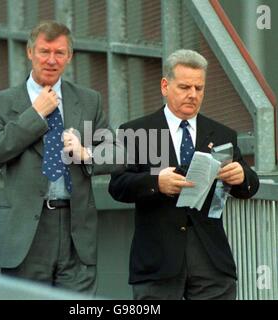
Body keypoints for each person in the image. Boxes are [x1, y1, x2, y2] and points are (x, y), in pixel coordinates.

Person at [108, 49, 259, 300]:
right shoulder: (136, 131)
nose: (193, 95)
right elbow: (118, 186)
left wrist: (242, 176)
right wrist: (157, 183)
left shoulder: (222, 134)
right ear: (165, 86)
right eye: (185, 87)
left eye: (199, 88)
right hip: (158, 262)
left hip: (211, 261)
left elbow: (249, 186)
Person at [0, 20, 115, 296]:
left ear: (69, 56)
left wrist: (86, 153)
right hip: (26, 235)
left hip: (77, 232)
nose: (51, 60)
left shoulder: (89, 101)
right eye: (44, 51)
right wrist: (35, 114)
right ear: (30, 52)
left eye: (59, 53)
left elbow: (117, 151)